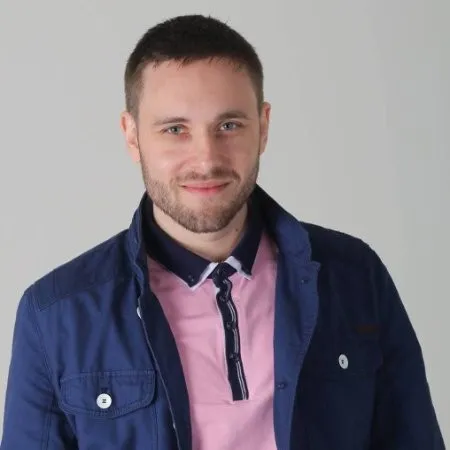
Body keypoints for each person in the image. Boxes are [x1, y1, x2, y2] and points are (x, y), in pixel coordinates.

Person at [0, 13, 445, 450]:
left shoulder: (354, 276)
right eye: (175, 129)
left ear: (263, 127)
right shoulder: (55, 314)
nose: (206, 159)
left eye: (228, 126)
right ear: (132, 136)